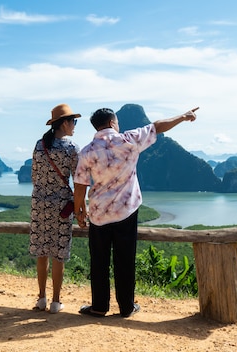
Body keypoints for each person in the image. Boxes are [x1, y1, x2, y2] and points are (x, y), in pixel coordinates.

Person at [73, 106, 198, 317]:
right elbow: (157, 127)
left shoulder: (87, 151)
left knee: (99, 261)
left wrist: (80, 213)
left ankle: (99, 306)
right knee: (125, 259)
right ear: (113, 123)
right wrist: (184, 117)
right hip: (126, 211)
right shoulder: (129, 139)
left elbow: (79, 187)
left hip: (98, 213)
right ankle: (126, 307)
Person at [29, 103, 81, 314]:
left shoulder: (40, 145)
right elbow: (79, 180)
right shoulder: (71, 148)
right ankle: (56, 301)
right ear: (65, 123)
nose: (75, 126)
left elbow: (34, 177)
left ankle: (41, 298)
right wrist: (80, 209)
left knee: (42, 252)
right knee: (58, 254)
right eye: (74, 122)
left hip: (38, 205)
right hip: (60, 206)